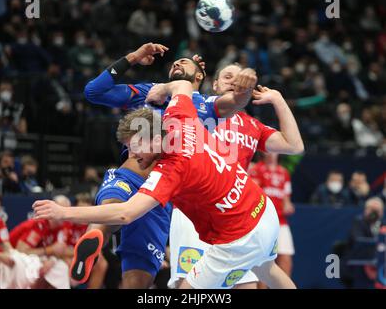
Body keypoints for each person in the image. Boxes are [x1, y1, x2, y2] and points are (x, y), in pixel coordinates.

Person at [33, 79, 299, 289]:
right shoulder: (180, 118)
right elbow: (183, 85)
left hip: (239, 235)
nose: (134, 155)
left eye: (136, 147)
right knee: (268, 269)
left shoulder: (170, 170)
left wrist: (63, 212)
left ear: (152, 137)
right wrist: (164, 89)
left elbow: (125, 213)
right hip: (263, 214)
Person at [76, 43, 257, 288]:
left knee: (138, 280)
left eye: (185, 62)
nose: (177, 63)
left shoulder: (207, 104)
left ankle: (97, 234)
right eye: (175, 62)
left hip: (164, 193)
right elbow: (93, 92)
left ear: (199, 75)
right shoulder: (148, 92)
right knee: (115, 208)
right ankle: (93, 240)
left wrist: (246, 85)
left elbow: (237, 101)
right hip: (134, 174)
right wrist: (133, 57)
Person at [168, 64, 304, 289]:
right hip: (194, 213)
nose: (232, 80)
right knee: (188, 284)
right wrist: (191, 69)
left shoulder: (253, 126)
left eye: (237, 77)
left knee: (248, 285)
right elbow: (178, 89)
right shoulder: (198, 108)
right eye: (227, 76)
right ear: (214, 84)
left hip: (235, 217)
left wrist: (278, 99)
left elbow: (294, 145)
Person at [9, 195, 71, 289]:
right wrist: (50, 250)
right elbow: (21, 251)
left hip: (39, 257)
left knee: (61, 267)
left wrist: (53, 259)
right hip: (13, 259)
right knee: (38, 267)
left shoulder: (63, 226)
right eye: (62, 209)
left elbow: (60, 250)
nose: (64, 214)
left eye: (67, 210)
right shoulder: (39, 224)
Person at [249, 153, 295, 278]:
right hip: (262, 221)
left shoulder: (284, 172)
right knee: (264, 262)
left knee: (285, 257)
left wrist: (288, 206)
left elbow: (286, 199)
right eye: (268, 149)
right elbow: (253, 193)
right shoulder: (256, 169)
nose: (271, 152)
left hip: (281, 222)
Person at [343, 197, 385, 288]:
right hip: (359, 263)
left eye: (377, 210)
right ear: (366, 210)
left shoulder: (383, 224)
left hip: (379, 263)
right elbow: (359, 240)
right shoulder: (358, 221)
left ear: (382, 212)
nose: (374, 213)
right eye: (371, 209)